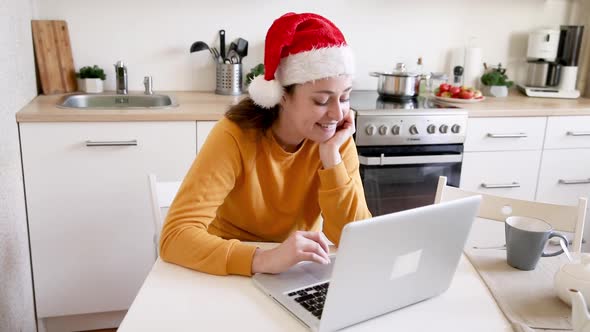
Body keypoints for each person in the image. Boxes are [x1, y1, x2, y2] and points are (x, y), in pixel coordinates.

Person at [159, 12, 371, 276]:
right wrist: (263, 259)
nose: (337, 114)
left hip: (295, 271)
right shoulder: (235, 135)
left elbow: (357, 240)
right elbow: (175, 237)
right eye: (321, 101)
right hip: (227, 269)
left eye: (344, 97)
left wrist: (331, 158)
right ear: (282, 95)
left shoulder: (333, 139)